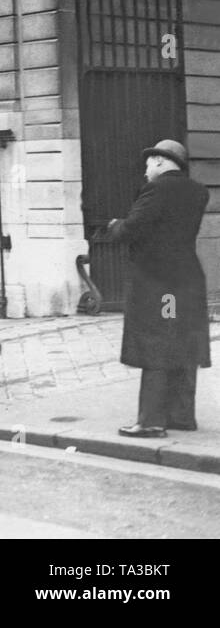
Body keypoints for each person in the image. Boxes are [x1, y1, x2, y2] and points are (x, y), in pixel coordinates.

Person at [107, 139, 211, 438]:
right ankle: (181, 416)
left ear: (161, 162)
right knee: (181, 342)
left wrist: (116, 225)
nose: (145, 171)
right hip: (186, 281)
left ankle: (151, 421)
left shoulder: (157, 189)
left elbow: (133, 228)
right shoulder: (198, 192)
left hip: (161, 285)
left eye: (148, 165)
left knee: (157, 341)